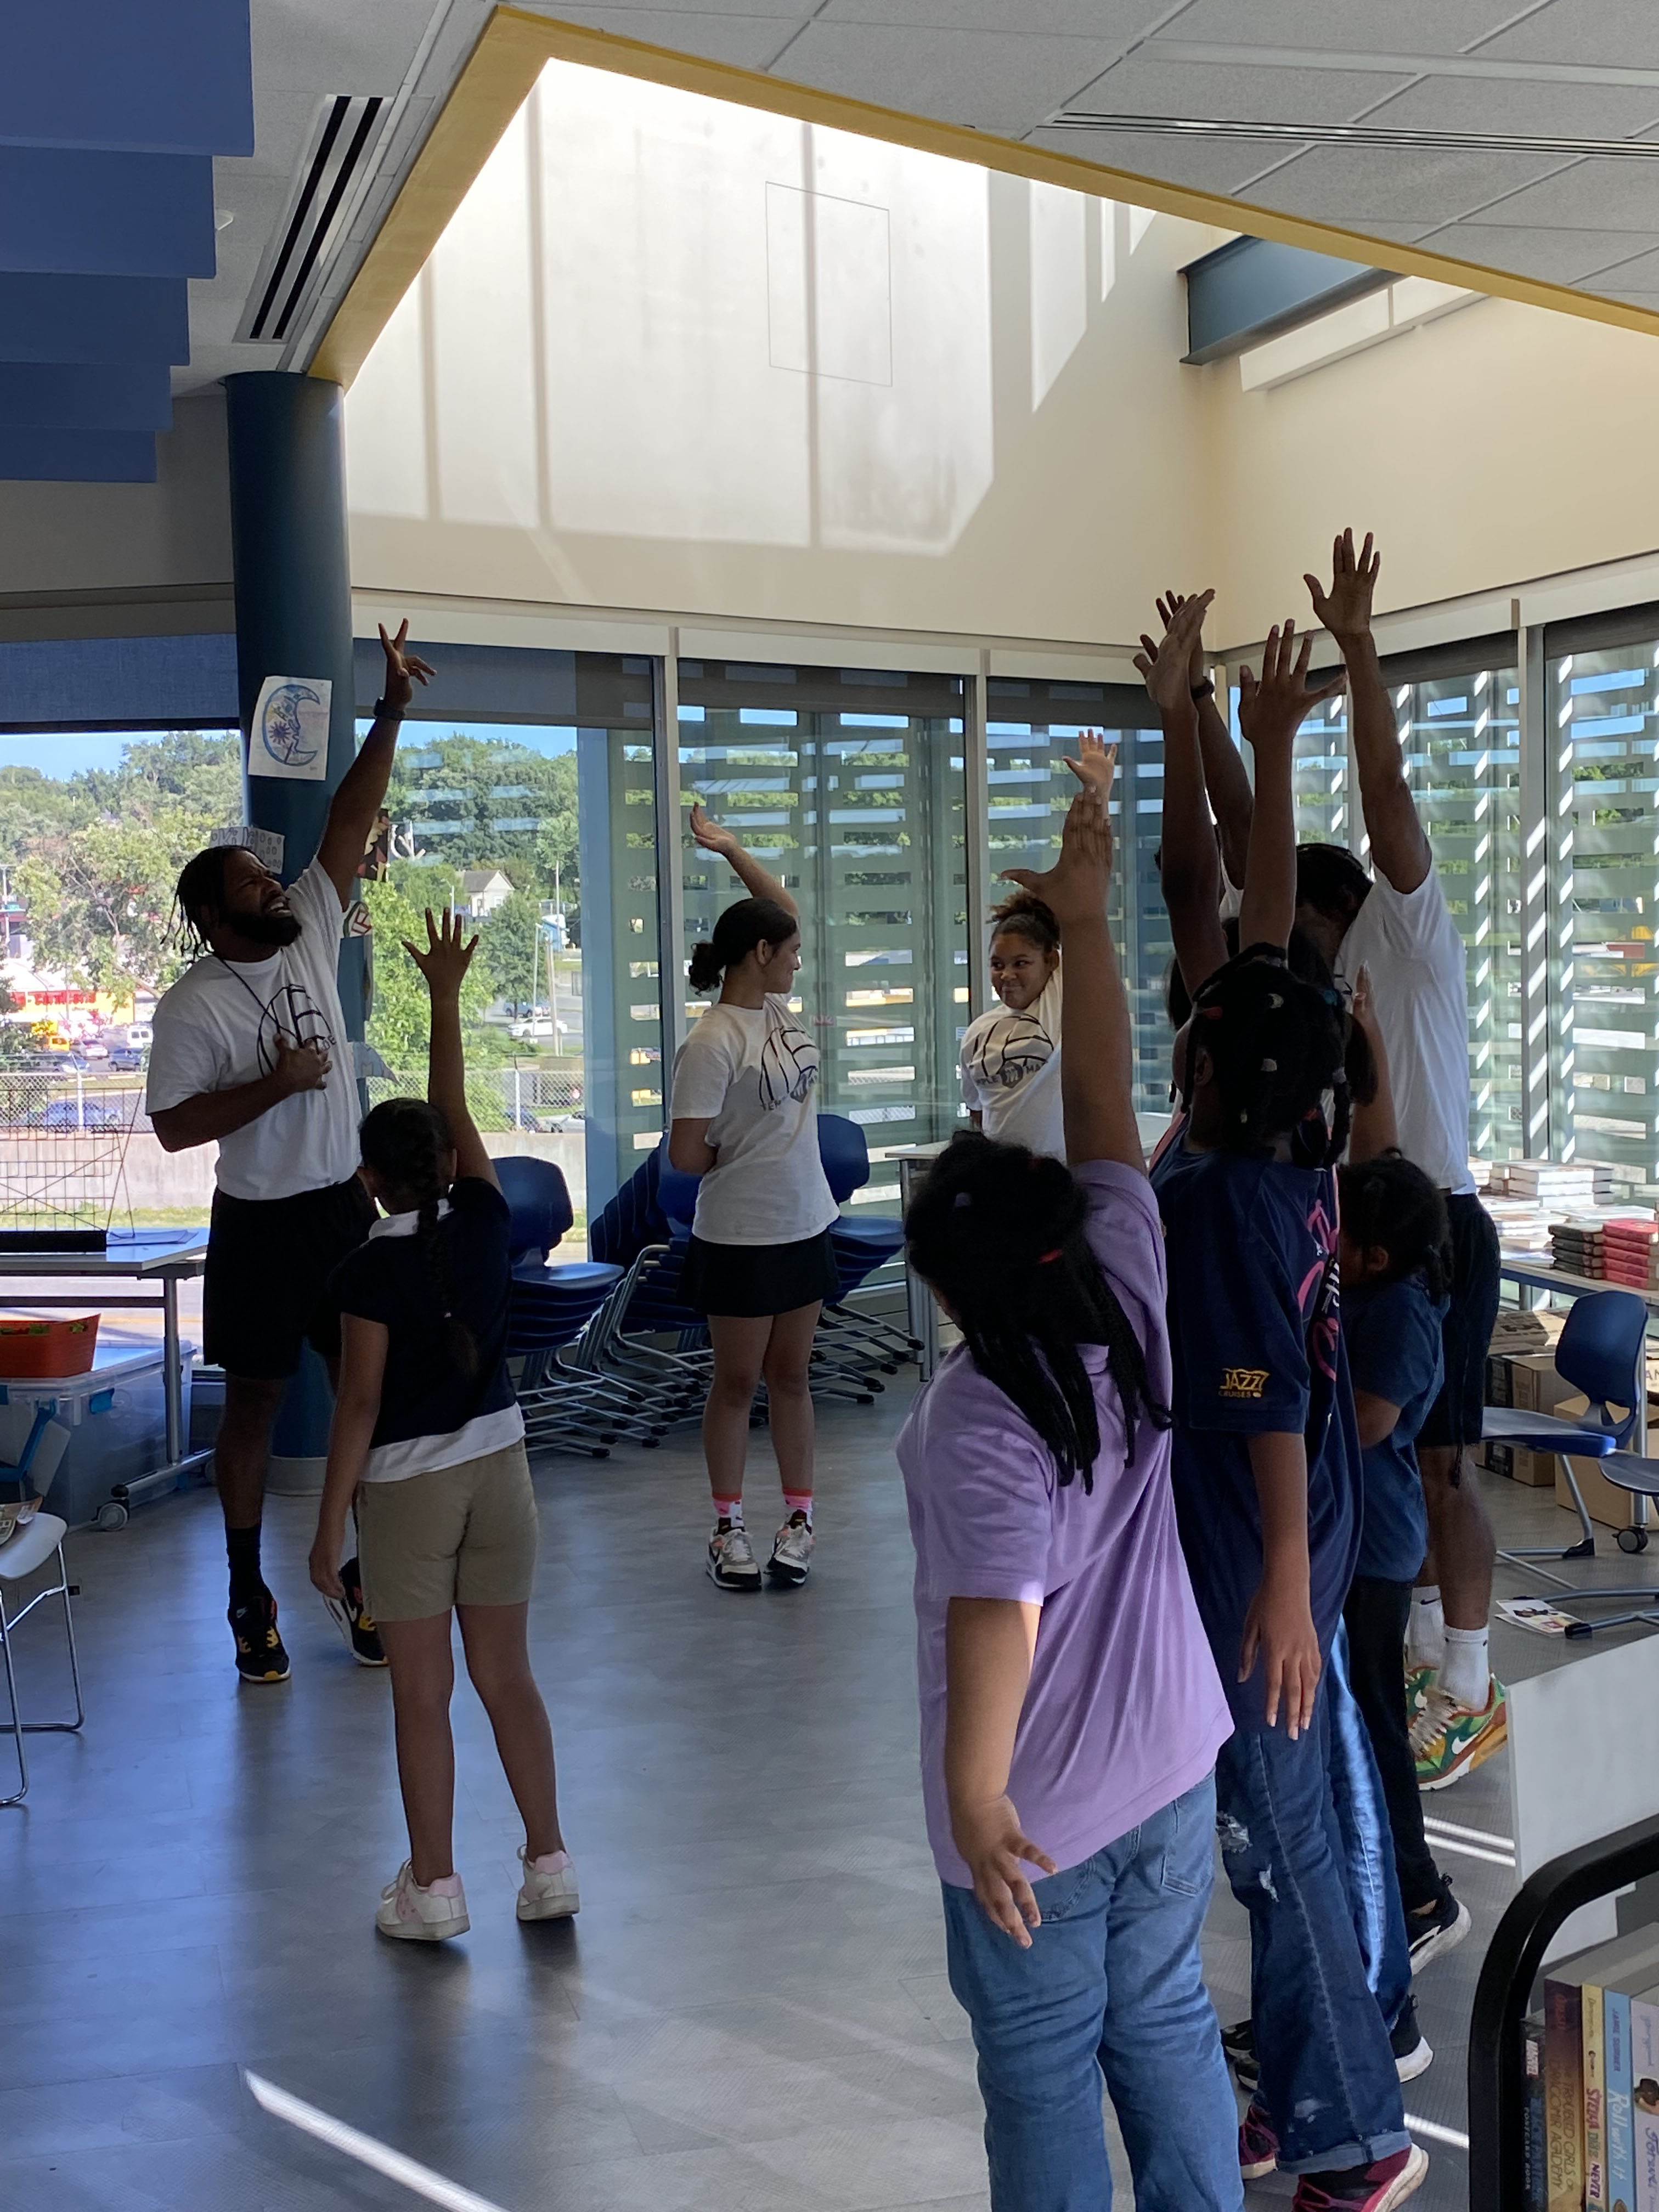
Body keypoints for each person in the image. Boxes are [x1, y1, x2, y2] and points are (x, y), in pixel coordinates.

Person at [899, 770, 1238, 2212]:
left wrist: (978, 1801)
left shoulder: (979, 1412)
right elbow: (1107, 1103)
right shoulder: (1131, 1286)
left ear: (952, 1287)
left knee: (1041, 2074)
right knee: (1165, 2027)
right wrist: (1090, 927)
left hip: (1041, 1808)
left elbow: (1001, 1609)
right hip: (1173, 1763)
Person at [1143, 605, 1426, 2212]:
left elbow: (1255, 1390)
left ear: (1204, 1067)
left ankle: (1353, 2136)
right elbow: (1233, 906)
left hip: (1268, 1545)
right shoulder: (1288, 1137)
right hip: (1278, 1532)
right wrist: (1239, 734)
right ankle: (1312, 2092)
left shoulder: (1230, 1196)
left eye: (1191, 1019)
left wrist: (1280, 1589)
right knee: (1274, 1829)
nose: (1193, 1003)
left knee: (1281, 1833)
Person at [1190, 534, 1506, 1788]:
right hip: (1347, 1218)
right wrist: (1201, 708)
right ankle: (1408, 1653)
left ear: (1335, 907)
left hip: (1434, 1222)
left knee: (1440, 1460)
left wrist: (1361, 648)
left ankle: (1467, 1681)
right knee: (1365, 1457)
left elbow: (1383, 791)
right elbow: (1237, 837)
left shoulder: (1407, 929)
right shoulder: (1306, 996)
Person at [147, 620, 432, 1684]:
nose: (273, 888)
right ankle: (245, 1590)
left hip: (342, 1209)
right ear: (212, 917)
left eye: (268, 879)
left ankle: (359, 1574)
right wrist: (276, 1082)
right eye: (249, 886)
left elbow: (348, 819)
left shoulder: (311, 921)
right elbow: (175, 1126)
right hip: (260, 1226)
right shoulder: (192, 1007)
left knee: (368, 1393)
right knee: (256, 1406)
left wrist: (390, 709)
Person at [309, 910, 577, 1941]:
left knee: (421, 1694)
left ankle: (434, 1888)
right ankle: (549, 1866)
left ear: (370, 1179)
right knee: (509, 1675)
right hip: (502, 1468)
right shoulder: (488, 1219)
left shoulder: (365, 1270)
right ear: (450, 1161)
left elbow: (360, 1404)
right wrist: (447, 995)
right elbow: (456, 1107)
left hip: (409, 1492)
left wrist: (326, 1532)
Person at [667, 804, 840, 1593]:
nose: (799, 962)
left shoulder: (773, 1008)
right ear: (761, 955)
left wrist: (732, 848)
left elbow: (783, 907)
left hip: (804, 1219)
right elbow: (685, 1154)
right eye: (790, 954)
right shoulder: (711, 1042)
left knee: (793, 1377)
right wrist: (740, 1150)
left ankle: (800, 1520)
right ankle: (728, 1526)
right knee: (737, 1383)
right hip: (741, 1232)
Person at [1338, 975, 1471, 1974]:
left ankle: (1421, 1892)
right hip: (1364, 1540)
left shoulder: (1394, 1314)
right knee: (1363, 1713)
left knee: (1377, 1719)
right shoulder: (1386, 1279)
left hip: (1376, 1550)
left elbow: (1369, 1419)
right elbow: (1375, 1146)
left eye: (1340, 1238)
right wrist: (1368, 1035)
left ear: (1375, 1254)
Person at [957, 731, 1115, 1162]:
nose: (1007, 975)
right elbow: (979, 1112)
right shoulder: (978, 1033)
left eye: (1021, 963)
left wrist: (1098, 794)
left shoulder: (1060, 1002)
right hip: (1003, 1179)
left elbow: (1089, 882)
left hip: (1061, 1175)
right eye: (997, 965)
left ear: (1051, 962)